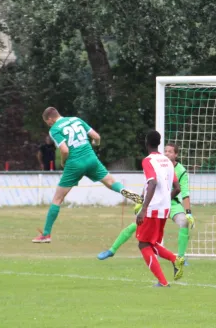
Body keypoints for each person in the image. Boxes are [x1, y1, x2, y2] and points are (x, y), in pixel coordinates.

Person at [32, 107, 142, 243]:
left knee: (57, 199)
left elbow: (65, 150)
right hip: (91, 158)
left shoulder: (54, 129)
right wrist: (95, 144)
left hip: (74, 163)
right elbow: (96, 137)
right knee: (111, 182)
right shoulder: (76, 119)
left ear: (50, 119)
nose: (48, 124)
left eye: (47, 122)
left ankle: (46, 235)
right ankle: (137, 198)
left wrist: (63, 162)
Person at [97, 142, 195, 262]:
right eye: (166, 151)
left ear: (176, 154)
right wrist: (141, 201)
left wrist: (188, 212)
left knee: (184, 222)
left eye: (170, 151)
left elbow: (184, 192)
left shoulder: (181, 171)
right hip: (155, 204)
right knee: (135, 225)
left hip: (172, 203)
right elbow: (149, 184)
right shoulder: (159, 164)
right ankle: (112, 250)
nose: (167, 153)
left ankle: (181, 258)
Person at [135, 130, 185, 287]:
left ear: (146, 142)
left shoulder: (148, 161)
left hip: (152, 209)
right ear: (158, 142)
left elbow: (153, 182)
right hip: (164, 209)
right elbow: (177, 187)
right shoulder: (167, 161)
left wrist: (144, 209)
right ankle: (175, 259)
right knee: (152, 243)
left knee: (143, 244)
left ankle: (163, 282)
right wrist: (165, 199)